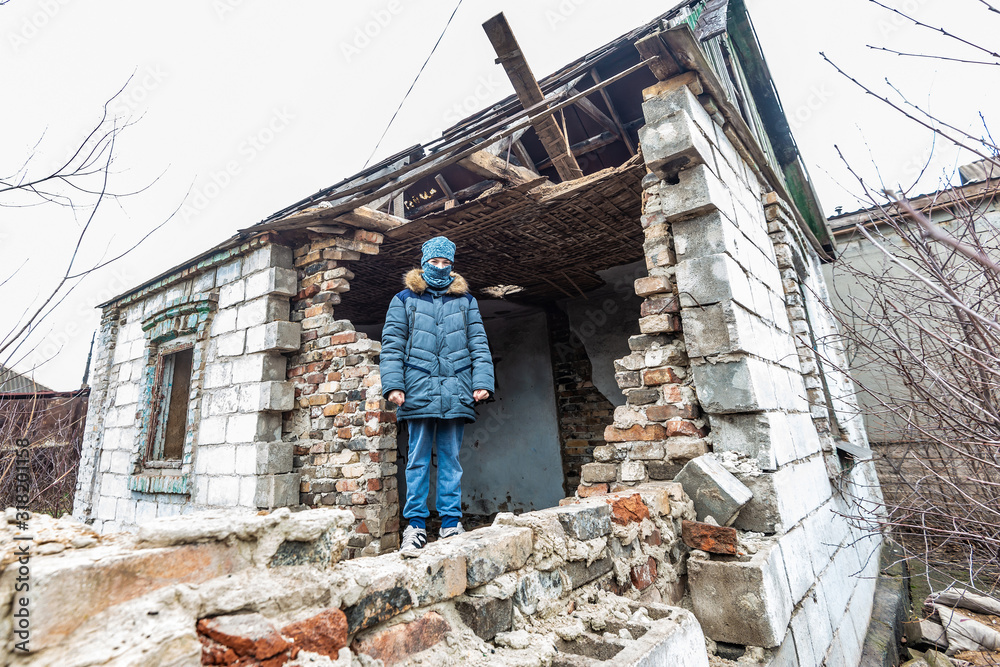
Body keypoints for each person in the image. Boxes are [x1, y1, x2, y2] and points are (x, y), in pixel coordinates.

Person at [379, 236, 495, 555]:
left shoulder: (466, 302)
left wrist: (482, 380)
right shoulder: (403, 299)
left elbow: (479, 344)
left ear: (452, 266)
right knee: (416, 460)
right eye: (435, 262)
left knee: (451, 460)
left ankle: (450, 524)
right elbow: (392, 345)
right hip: (418, 389)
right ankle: (415, 526)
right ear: (424, 262)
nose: (440, 268)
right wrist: (393, 385)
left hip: (456, 390)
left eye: (446, 264)